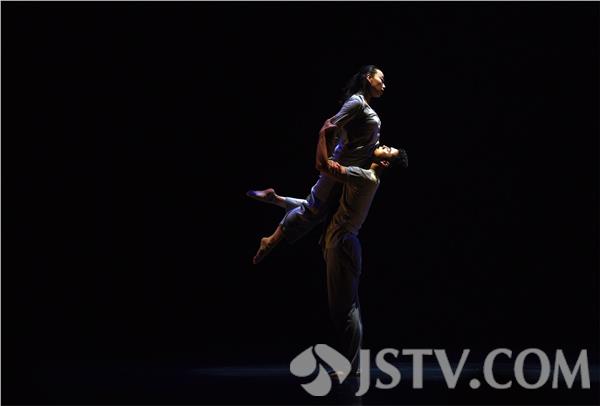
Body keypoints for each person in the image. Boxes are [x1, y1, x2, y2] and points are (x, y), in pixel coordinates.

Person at [249, 126, 408, 376]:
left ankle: (352, 367)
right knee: (317, 210)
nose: (383, 145)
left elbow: (323, 166)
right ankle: (278, 200)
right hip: (339, 241)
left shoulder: (366, 178)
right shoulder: (365, 175)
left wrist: (323, 135)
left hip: (342, 245)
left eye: (388, 149)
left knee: (344, 310)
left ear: (385, 163)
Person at [250, 65, 386, 265]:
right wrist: (328, 158)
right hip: (338, 168)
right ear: (368, 78)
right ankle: (270, 240)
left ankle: (275, 198)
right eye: (381, 79)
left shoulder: (364, 106)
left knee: (320, 208)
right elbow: (331, 126)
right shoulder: (357, 103)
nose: (384, 85)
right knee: (313, 210)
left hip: (347, 171)